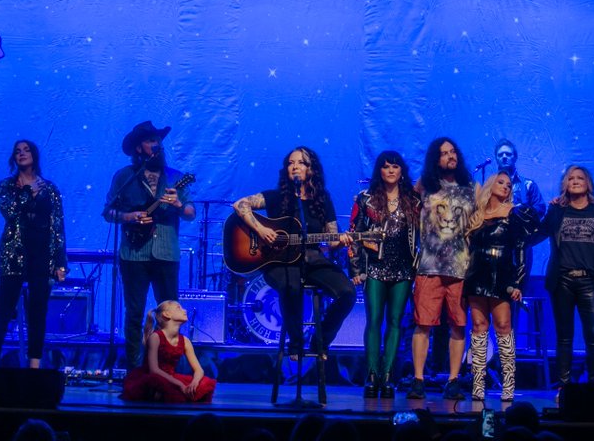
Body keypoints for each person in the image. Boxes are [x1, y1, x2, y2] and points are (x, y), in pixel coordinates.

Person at [232, 147, 355, 360]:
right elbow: (240, 204)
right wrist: (261, 229)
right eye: (290, 162)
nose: (295, 166)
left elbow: (332, 239)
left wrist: (342, 242)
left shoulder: (322, 199)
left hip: (311, 258)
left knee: (348, 293)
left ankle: (320, 341)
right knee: (291, 285)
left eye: (301, 162)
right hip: (278, 261)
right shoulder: (276, 197)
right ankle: (295, 344)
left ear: (311, 169)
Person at [103, 120, 195, 367]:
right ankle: (134, 368)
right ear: (138, 148)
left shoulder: (175, 177)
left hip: (166, 252)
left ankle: (168, 368)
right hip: (133, 254)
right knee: (134, 312)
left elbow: (190, 213)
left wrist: (177, 205)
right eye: (150, 141)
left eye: (158, 141)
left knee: (170, 313)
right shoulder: (124, 176)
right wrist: (128, 217)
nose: (156, 145)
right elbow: (108, 212)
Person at [0, 139, 68, 368]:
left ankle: (34, 364)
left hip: (42, 255)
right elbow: (10, 212)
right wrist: (26, 194)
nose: (22, 154)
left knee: (38, 312)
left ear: (35, 155)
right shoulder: (6, 187)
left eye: (26, 150)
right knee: (3, 309)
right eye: (17, 151)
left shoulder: (50, 189)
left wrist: (60, 261)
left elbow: (58, 226)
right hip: (13, 253)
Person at [534, 165, 594, 394]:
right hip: (562, 280)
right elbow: (538, 233)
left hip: (590, 280)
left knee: (593, 336)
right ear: (565, 184)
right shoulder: (556, 211)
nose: (576, 181)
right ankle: (564, 387)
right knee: (564, 337)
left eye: (580, 177)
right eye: (571, 178)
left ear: (588, 183)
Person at [407, 137, 476, 401]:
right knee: (423, 324)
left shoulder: (470, 188)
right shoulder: (425, 186)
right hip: (429, 265)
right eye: (444, 153)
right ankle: (418, 379)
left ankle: (453, 380)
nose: (450, 156)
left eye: (453, 151)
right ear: (435, 159)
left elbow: (476, 224)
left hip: (460, 267)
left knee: (458, 324)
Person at [349, 150, 420, 399]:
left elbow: (424, 236)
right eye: (386, 166)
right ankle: (371, 375)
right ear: (379, 170)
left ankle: (388, 376)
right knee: (374, 320)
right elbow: (353, 235)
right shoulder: (364, 199)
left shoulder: (414, 200)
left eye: (395, 166)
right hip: (374, 269)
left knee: (395, 322)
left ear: (402, 171)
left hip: (403, 269)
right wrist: (356, 269)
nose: (391, 170)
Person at [465, 171, 539, 402]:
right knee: (478, 326)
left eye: (508, 184)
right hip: (477, 275)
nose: (506, 186)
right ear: (490, 184)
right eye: (501, 182)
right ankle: (478, 382)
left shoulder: (514, 213)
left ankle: (509, 384)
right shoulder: (476, 215)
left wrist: (517, 282)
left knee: (504, 326)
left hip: (502, 277)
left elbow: (520, 249)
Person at [120, 299, 216, 403]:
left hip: (171, 377)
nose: (184, 310)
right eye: (178, 308)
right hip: (155, 376)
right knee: (157, 383)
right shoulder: (156, 337)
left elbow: (199, 370)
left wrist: (195, 382)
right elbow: (154, 370)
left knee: (204, 383)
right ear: (167, 314)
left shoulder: (185, 341)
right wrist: (179, 384)